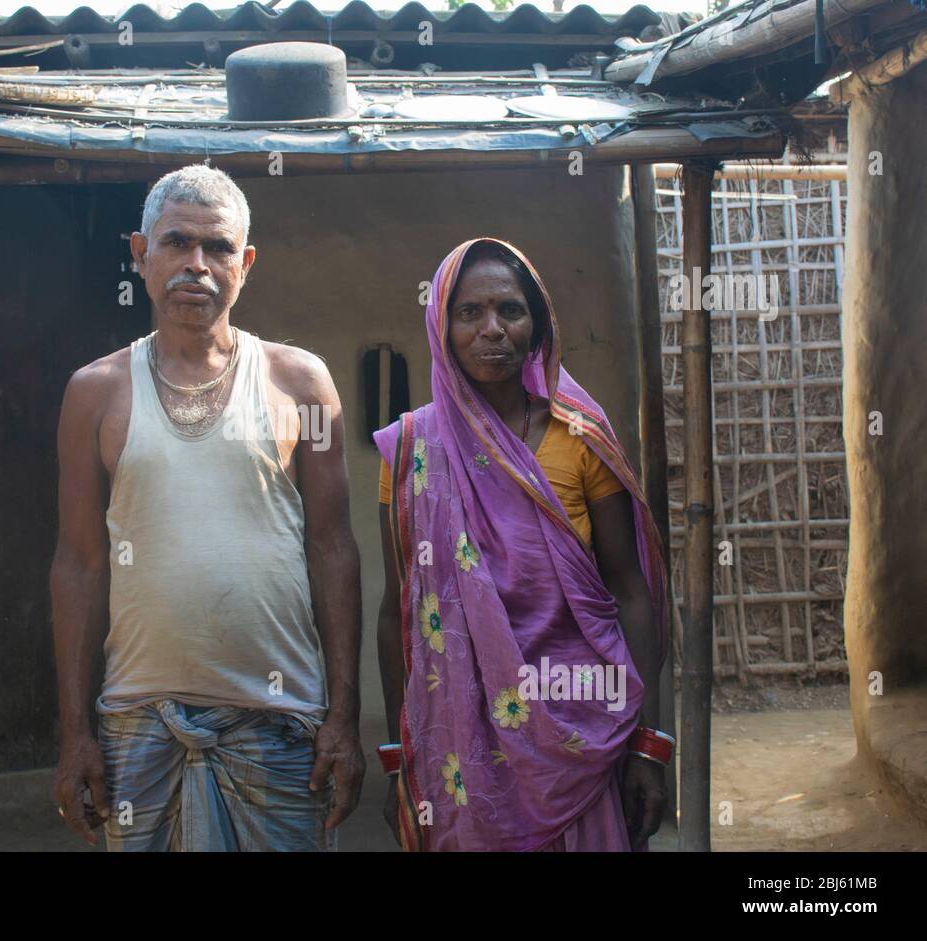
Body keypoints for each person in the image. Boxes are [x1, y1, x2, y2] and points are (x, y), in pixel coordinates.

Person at [50, 164, 364, 852]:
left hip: (282, 720)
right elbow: (78, 560)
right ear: (141, 253)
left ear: (245, 263)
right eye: (176, 243)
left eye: (218, 247)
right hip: (138, 720)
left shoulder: (300, 382)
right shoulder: (95, 392)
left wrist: (345, 717)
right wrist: (76, 733)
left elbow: (334, 547)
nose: (197, 264)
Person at [374, 238, 671, 851]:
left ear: (536, 326)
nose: (491, 330)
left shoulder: (580, 438)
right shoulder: (412, 451)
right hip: (462, 743)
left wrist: (646, 743)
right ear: (441, 327)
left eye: (510, 310)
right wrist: (404, 755)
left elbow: (629, 593)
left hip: (583, 725)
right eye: (468, 313)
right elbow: (398, 609)